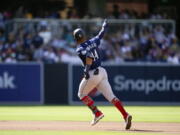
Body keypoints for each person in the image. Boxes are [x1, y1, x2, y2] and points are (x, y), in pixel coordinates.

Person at [73, 19, 132, 130]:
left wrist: (86, 70)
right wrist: (104, 26)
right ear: (84, 36)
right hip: (102, 72)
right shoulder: (93, 41)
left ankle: (97, 113)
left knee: (81, 94)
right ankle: (125, 115)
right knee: (111, 97)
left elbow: (89, 56)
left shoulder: (79, 48)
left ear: (76, 39)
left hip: (93, 72)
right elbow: (101, 34)